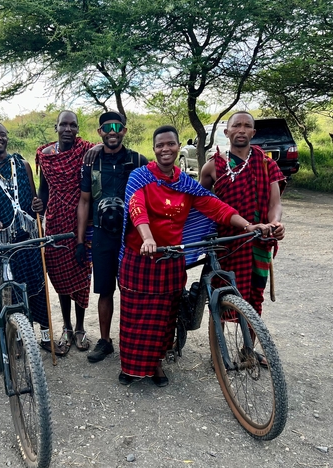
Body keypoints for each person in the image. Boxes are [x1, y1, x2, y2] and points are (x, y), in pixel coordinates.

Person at [118, 125, 278, 386]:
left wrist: (249, 226)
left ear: (178, 146)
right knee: (135, 316)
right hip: (141, 257)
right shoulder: (139, 177)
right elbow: (137, 208)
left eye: (170, 144)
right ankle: (131, 367)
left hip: (171, 259)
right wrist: (147, 237)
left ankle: (156, 364)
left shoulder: (186, 184)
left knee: (164, 316)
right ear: (154, 149)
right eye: (160, 145)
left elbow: (218, 208)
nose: (165, 149)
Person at [0, 122, 63, 354]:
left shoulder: (23, 165)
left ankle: (45, 337)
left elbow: (32, 199)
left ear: (7, 138)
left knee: (39, 288)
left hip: (29, 238)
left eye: (2, 134)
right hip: (3, 241)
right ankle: (18, 336)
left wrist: (38, 204)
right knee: (12, 290)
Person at [76, 111, 148, 363]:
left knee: (134, 289)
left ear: (125, 131)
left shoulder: (138, 160)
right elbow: (84, 202)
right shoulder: (91, 163)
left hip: (133, 235)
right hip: (103, 236)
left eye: (118, 127)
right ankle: (105, 341)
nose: (112, 131)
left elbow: (153, 196)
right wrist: (80, 240)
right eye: (107, 128)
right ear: (100, 132)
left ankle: (135, 341)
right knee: (104, 289)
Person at [200, 111, 285, 317]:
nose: (241, 130)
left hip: (259, 240)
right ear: (226, 132)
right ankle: (218, 346)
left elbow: (275, 203)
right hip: (227, 243)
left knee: (255, 296)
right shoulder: (213, 166)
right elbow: (200, 203)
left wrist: (275, 223)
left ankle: (249, 347)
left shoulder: (267, 164)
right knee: (221, 295)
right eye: (236, 125)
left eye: (247, 126)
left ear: (253, 132)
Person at [36, 110, 96, 355]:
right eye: (64, 125)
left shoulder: (86, 151)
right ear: (56, 127)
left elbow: (108, 146)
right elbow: (43, 191)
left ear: (77, 128)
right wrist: (38, 207)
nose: (68, 129)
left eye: (73, 125)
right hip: (56, 222)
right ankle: (67, 327)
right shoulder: (45, 156)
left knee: (81, 274)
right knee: (60, 275)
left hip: (82, 222)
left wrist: (100, 145)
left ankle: (81, 327)